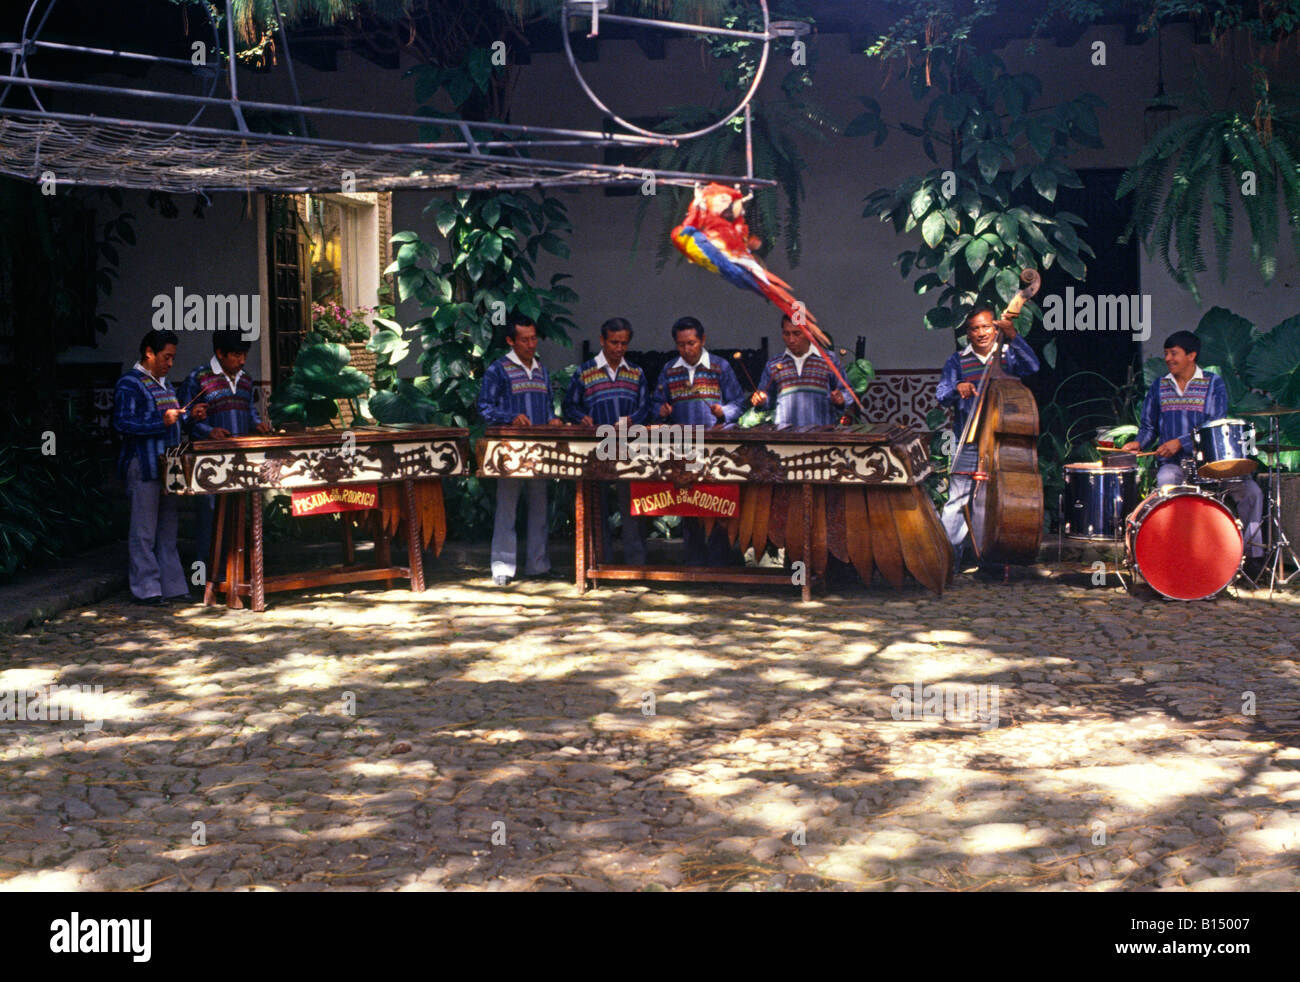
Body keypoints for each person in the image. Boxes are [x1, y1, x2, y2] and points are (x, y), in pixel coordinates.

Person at [1121, 330, 1265, 577]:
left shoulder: (1213, 383)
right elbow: (1149, 427)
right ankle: (1174, 554)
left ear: (1191, 355)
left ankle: (1253, 557)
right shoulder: (1159, 386)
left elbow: (1214, 422)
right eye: (1166, 353)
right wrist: (1138, 443)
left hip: (1213, 463)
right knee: (1166, 482)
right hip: (1174, 465)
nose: (1168, 358)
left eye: (1173, 353)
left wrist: (1181, 442)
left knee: (1252, 492)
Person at [936, 307, 1038, 568]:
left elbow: (1033, 367)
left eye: (986, 327)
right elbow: (942, 394)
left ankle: (995, 556)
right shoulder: (957, 360)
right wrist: (957, 388)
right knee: (957, 500)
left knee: (999, 499)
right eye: (974, 328)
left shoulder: (1008, 355)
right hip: (968, 441)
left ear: (995, 328)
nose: (981, 333)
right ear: (967, 333)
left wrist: (1013, 335)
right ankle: (948, 560)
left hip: (1003, 444)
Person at [112, 329, 207, 606]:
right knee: (143, 530)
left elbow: (173, 419)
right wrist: (160, 422)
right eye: (166, 357)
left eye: (173, 358)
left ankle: (173, 587)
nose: (170, 363)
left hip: (169, 467)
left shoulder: (163, 384)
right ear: (149, 353)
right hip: (143, 464)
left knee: (168, 528)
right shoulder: (130, 383)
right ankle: (146, 589)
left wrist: (190, 417)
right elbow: (122, 424)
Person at [649, 316, 746, 564]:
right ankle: (694, 562)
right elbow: (657, 403)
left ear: (702, 340)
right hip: (684, 445)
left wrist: (724, 412)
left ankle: (719, 562)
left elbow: (738, 403)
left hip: (714, 448)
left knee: (716, 503)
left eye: (691, 343)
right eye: (681, 344)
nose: (687, 349)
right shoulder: (669, 370)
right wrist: (661, 411)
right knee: (688, 503)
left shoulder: (720, 367)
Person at [477, 314, 564, 585]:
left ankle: (538, 565)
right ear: (510, 341)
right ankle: (502, 569)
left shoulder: (541, 369)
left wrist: (553, 419)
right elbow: (484, 407)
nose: (530, 344)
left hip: (539, 451)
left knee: (540, 507)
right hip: (510, 452)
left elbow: (548, 406)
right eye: (524, 340)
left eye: (533, 338)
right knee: (507, 508)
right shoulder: (498, 369)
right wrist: (510, 417)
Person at [178, 330, 272, 575]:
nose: (241, 361)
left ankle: (237, 574)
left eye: (244, 355)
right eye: (236, 355)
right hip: (209, 466)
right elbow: (184, 419)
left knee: (238, 517)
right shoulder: (197, 378)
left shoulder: (246, 379)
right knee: (209, 520)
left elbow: (249, 410)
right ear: (219, 353)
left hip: (240, 463)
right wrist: (208, 431)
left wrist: (257, 423)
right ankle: (208, 577)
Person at [562, 317, 650, 565]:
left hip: (628, 449)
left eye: (624, 343)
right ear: (602, 340)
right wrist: (582, 418)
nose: (619, 348)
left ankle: (636, 564)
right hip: (595, 449)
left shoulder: (636, 372)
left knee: (632, 508)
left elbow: (645, 408)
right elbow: (570, 405)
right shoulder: (584, 372)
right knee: (596, 507)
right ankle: (600, 562)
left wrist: (632, 420)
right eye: (614, 342)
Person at [751, 314, 852, 427]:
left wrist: (841, 399)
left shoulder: (829, 360)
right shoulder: (774, 364)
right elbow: (767, 398)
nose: (791, 339)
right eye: (786, 334)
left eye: (796, 333)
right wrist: (761, 401)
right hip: (785, 436)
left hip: (822, 436)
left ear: (809, 333)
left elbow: (847, 392)